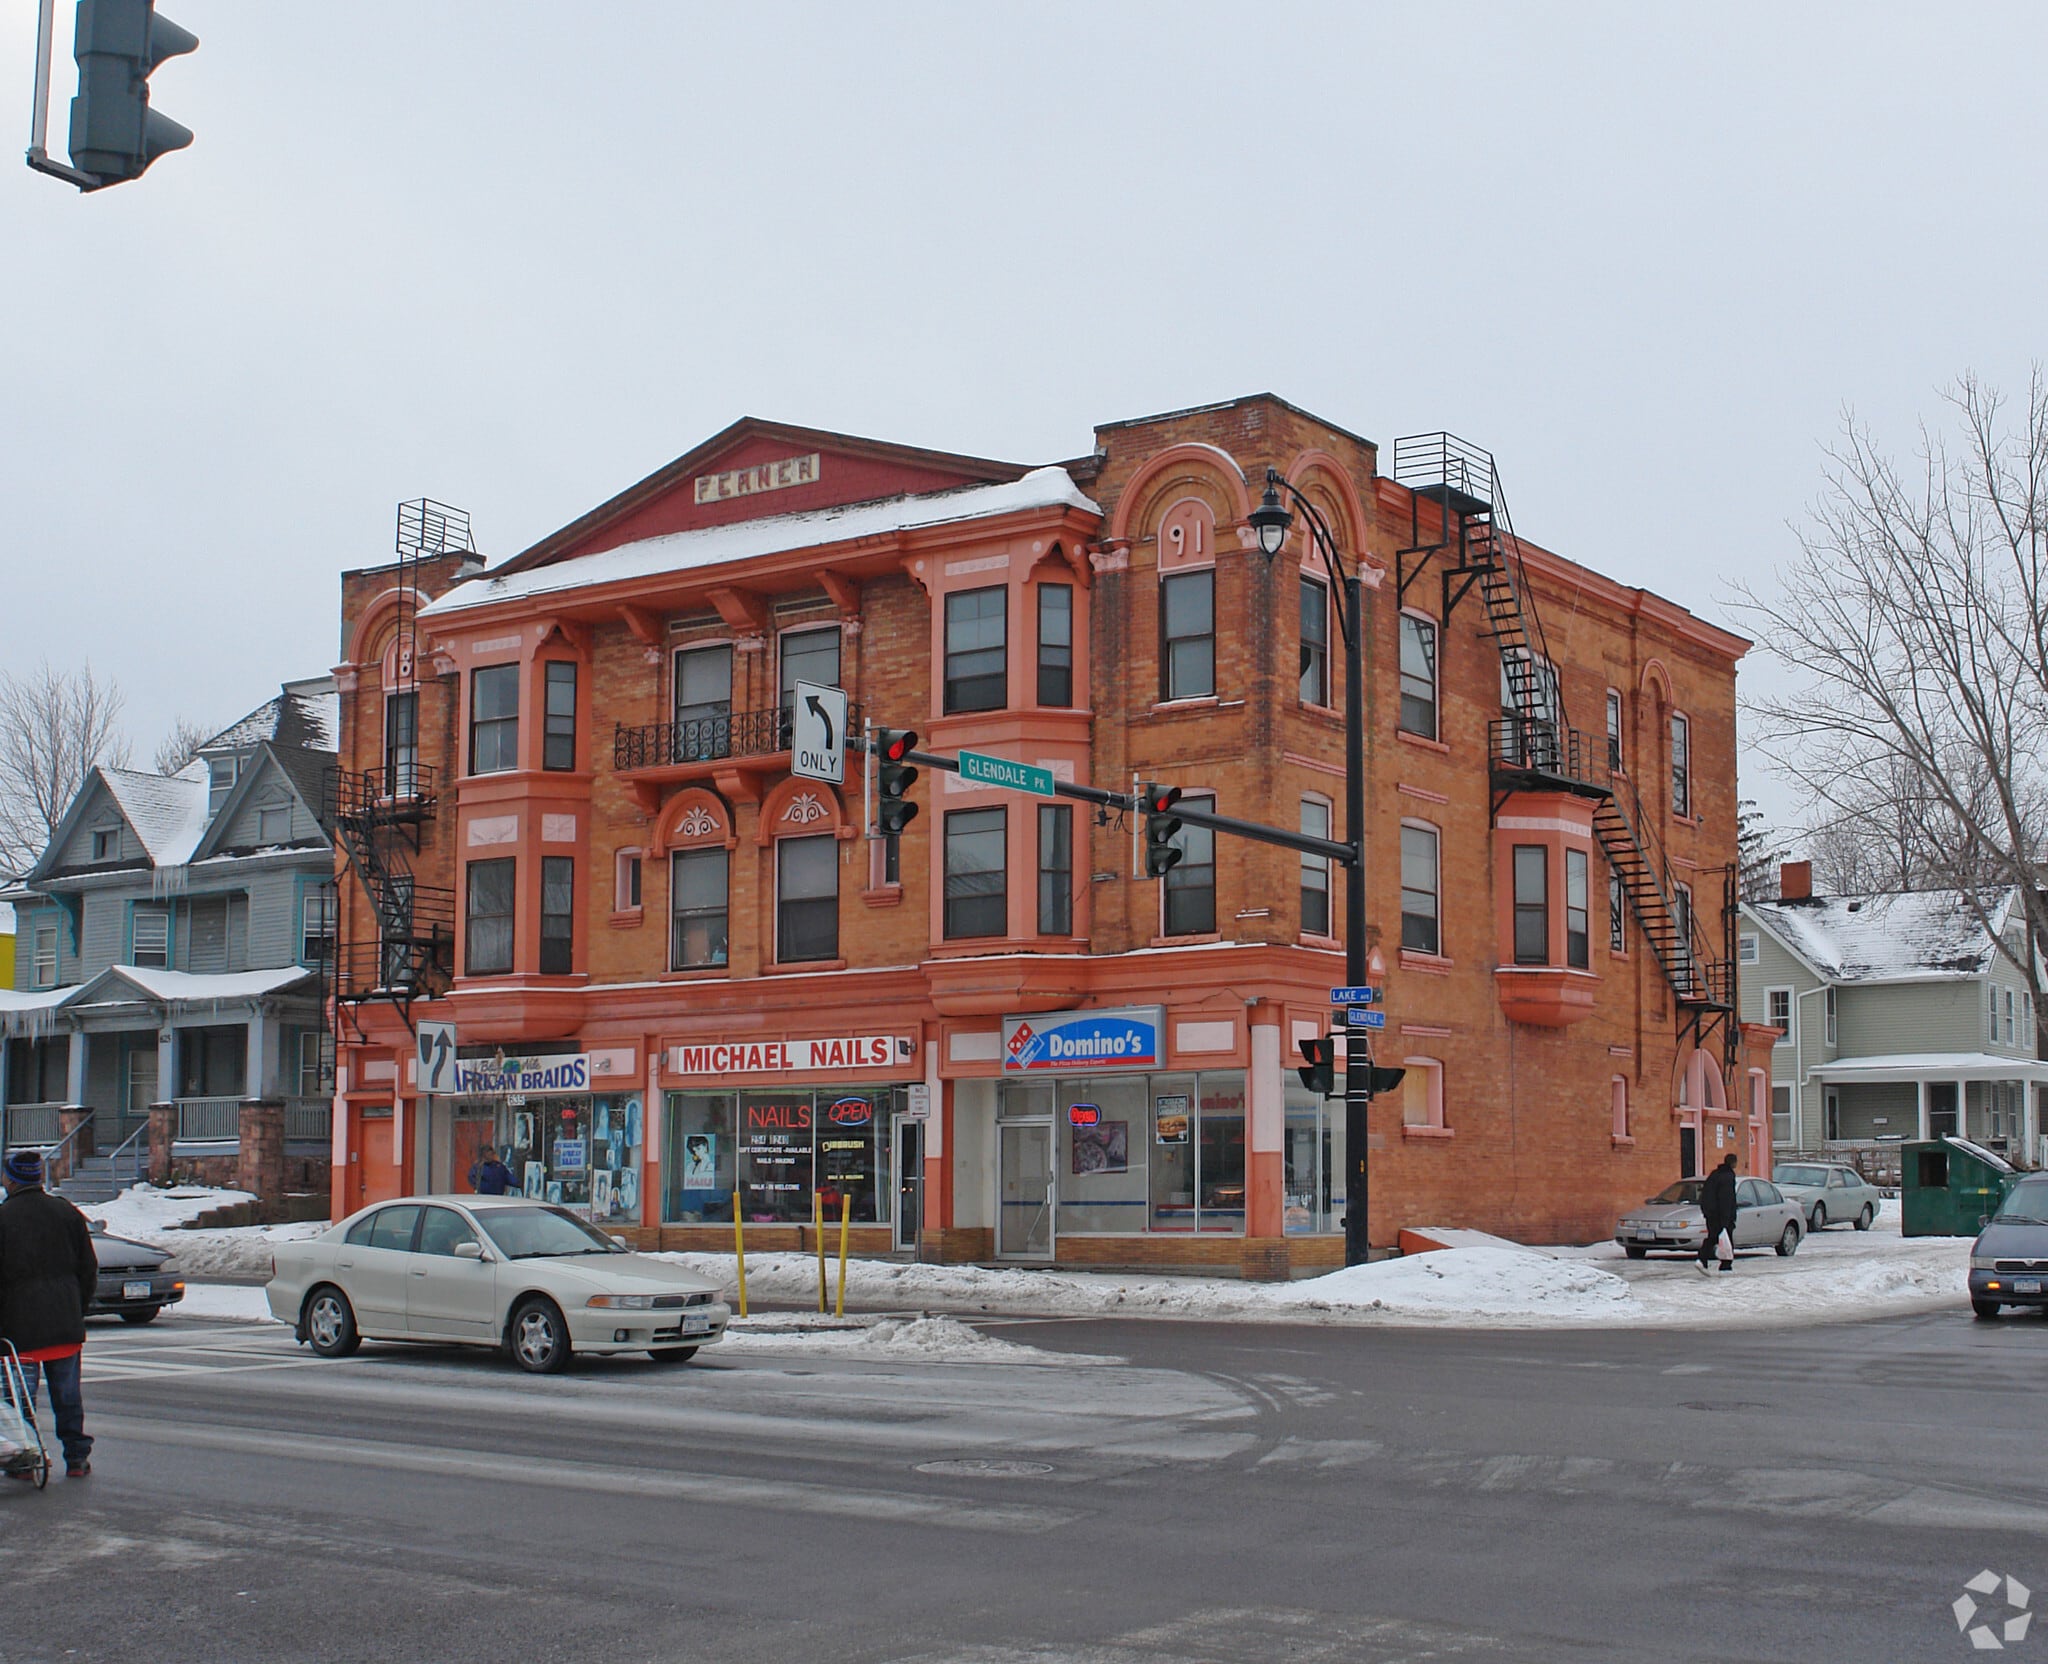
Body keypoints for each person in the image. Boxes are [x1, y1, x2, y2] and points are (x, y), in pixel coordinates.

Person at [0, 1148, 98, 1478]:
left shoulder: (3, 1218)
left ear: (9, 1180)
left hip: (18, 1332)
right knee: (68, 1397)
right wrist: (77, 1308)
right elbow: (88, 1267)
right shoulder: (66, 1212)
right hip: (65, 1327)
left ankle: (27, 1461)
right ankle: (76, 1457)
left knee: (21, 1403)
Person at [1697, 1153, 1739, 1276]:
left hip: (1711, 1214)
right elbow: (1726, 1199)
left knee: (1714, 1237)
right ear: (1733, 1163)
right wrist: (1726, 1219)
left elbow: (1705, 1194)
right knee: (1724, 1238)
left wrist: (1707, 1211)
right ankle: (1724, 1265)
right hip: (1721, 1215)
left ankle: (1705, 1260)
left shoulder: (1714, 1175)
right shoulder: (1728, 1177)